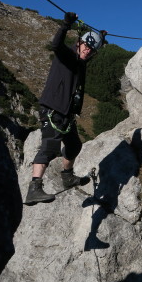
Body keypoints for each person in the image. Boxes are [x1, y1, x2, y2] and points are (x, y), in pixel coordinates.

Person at [24, 12, 106, 206]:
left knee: (74, 146)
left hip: (66, 114)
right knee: (49, 149)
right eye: (85, 46)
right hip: (52, 109)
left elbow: (89, 52)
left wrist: (100, 38)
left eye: (91, 50)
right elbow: (56, 45)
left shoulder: (81, 63)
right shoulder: (67, 56)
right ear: (77, 43)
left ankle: (67, 177)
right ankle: (34, 188)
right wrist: (65, 25)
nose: (87, 51)